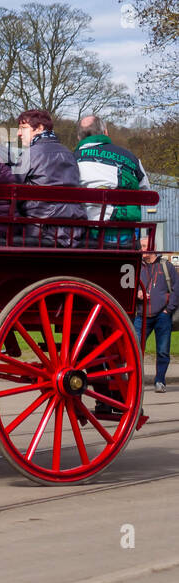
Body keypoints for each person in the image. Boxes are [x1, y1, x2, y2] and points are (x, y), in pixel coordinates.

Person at [14, 108, 86, 247]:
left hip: (40, 228)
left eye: (23, 128)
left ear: (40, 128)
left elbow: (13, 188)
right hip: (74, 229)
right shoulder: (69, 154)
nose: (18, 133)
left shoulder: (29, 154)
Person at [75, 114, 149, 246]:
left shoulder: (70, 161)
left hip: (84, 237)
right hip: (123, 237)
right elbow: (146, 194)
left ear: (79, 137)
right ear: (106, 133)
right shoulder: (131, 158)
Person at [137, 232, 178, 394]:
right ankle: (137, 382)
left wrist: (169, 309)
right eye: (140, 247)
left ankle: (160, 381)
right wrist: (138, 295)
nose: (141, 250)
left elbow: (176, 289)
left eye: (144, 247)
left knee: (162, 350)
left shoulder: (165, 266)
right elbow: (129, 287)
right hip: (141, 315)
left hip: (162, 314)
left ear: (153, 248)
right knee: (135, 349)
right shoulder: (137, 266)